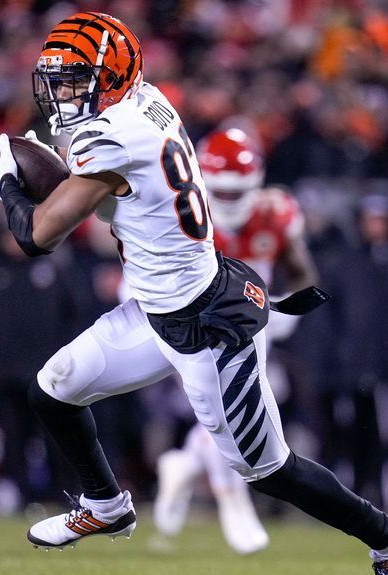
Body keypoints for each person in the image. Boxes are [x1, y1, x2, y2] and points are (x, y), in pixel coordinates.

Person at [0, 13, 388, 575]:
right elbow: (115, 195)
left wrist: (7, 184)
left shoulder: (110, 134)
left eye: (74, 81)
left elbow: (38, 237)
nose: (63, 94)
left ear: (112, 77)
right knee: (53, 389)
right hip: (156, 310)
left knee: (268, 469)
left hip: (204, 324)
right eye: (58, 81)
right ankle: (105, 506)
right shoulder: (144, 101)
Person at [153, 127, 318, 555]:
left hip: (247, 323)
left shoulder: (274, 213)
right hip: (184, 320)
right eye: (221, 191)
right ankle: (234, 502)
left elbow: (303, 273)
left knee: (228, 412)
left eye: (236, 191)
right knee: (228, 410)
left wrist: (285, 312)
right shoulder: (178, 209)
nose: (227, 200)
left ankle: (185, 463)